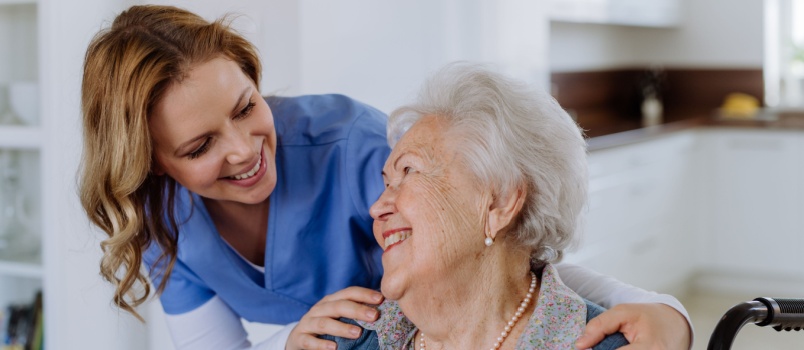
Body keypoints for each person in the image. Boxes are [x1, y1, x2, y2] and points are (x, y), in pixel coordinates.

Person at [78, 5, 692, 350]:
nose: (244, 151)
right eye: (200, 145)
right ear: (154, 163)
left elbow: (502, 248)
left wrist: (655, 308)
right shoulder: (160, 218)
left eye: (246, 107)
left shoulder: (356, 148)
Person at [323, 62, 631, 350]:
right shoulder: (343, 338)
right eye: (386, 183)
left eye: (409, 171)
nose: (377, 208)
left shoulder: (603, 343)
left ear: (499, 202)